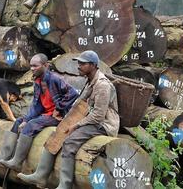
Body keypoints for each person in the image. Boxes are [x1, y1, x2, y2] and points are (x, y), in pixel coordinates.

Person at [18, 50, 119, 189]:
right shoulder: (90, 81)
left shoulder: (102, 85)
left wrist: (76, 125)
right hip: (90, 118)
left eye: (82, 64)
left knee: (70, 142)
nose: (79, 66)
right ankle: (41, 176)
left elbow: (99, 116)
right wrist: (64, 117)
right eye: (78, 63)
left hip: (104, 124)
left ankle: (65, 185)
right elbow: (79, 103)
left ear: (93, 65)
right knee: (58, 133)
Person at [0, 53, 79, 172]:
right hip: (44, 113)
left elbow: (73, 94)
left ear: (45, 65)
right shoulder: (38, 82)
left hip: (57, 117)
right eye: (31, 66)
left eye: (35, 66)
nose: (32, 69)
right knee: (18, 121)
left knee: (31, 125)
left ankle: (17, 162)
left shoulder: (55, 79)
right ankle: (4, 155)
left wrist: (59, 108)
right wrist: (25, 119)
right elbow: (36, 105)